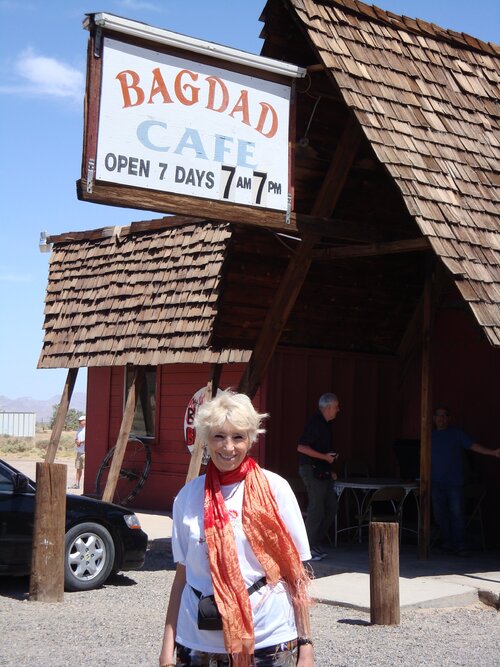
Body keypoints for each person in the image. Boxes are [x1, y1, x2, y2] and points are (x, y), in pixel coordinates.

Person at [159, 390, 314, 667]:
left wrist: (306, 645)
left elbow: (295, 574)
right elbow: (182, 576)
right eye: (218, 436)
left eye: (238, 437)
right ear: (206, 440)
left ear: (251, 439)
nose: (228, 447)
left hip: (268, 639)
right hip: (198, 643)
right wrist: (167, 646)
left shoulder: (275, 489)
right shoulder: (187, 497)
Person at [431, 406, 500, 556]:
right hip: (435, 482)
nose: (441, 418)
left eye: (445, 415)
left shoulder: (456, 433)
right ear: (434, 418)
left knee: (457, 514)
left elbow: (473, 446)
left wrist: (492, 452)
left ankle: (460, 545)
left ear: (449, 418)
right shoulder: (429, 435)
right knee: (439, 514)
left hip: (454, 482)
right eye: (438, 415)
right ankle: (446, 543)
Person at [297, 393, 340, 561]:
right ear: (328, 408)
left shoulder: (327, 424)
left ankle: (314, 542)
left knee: (331, 507)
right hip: (311, 470)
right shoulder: (315, 423)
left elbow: (322, 451)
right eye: (336, 407)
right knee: (317, 510)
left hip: (323, 471)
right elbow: (301, 447)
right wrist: (325, 458)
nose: (338, 410)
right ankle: (305, 548)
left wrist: (330, 467)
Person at [71, 415, 86, 489]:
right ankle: (77, 484)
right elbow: (76, 439)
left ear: (85, 421)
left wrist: (81, 442)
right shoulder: (79, 430)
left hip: (85, 452)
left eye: (81, 421)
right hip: (79, 452)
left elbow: (88, 438)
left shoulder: (87, 429)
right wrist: (77, 442)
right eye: (79, 421)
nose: (80, 422)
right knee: (78, 468)